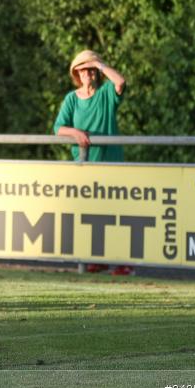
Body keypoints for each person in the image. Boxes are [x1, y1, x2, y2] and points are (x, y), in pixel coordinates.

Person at [53, 49, 130, 274]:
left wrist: (100, 64)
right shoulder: (71, 99)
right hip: (84, 164)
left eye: (91, 69)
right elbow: (58, 128)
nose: (88, 73)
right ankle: (98, 259)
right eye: (83, 69)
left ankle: (124, 262)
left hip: (110, 162)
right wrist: (75, 133)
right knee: (92, 214)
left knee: (117, 213)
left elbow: (120, 82)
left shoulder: (106, 93)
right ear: (77, 73)